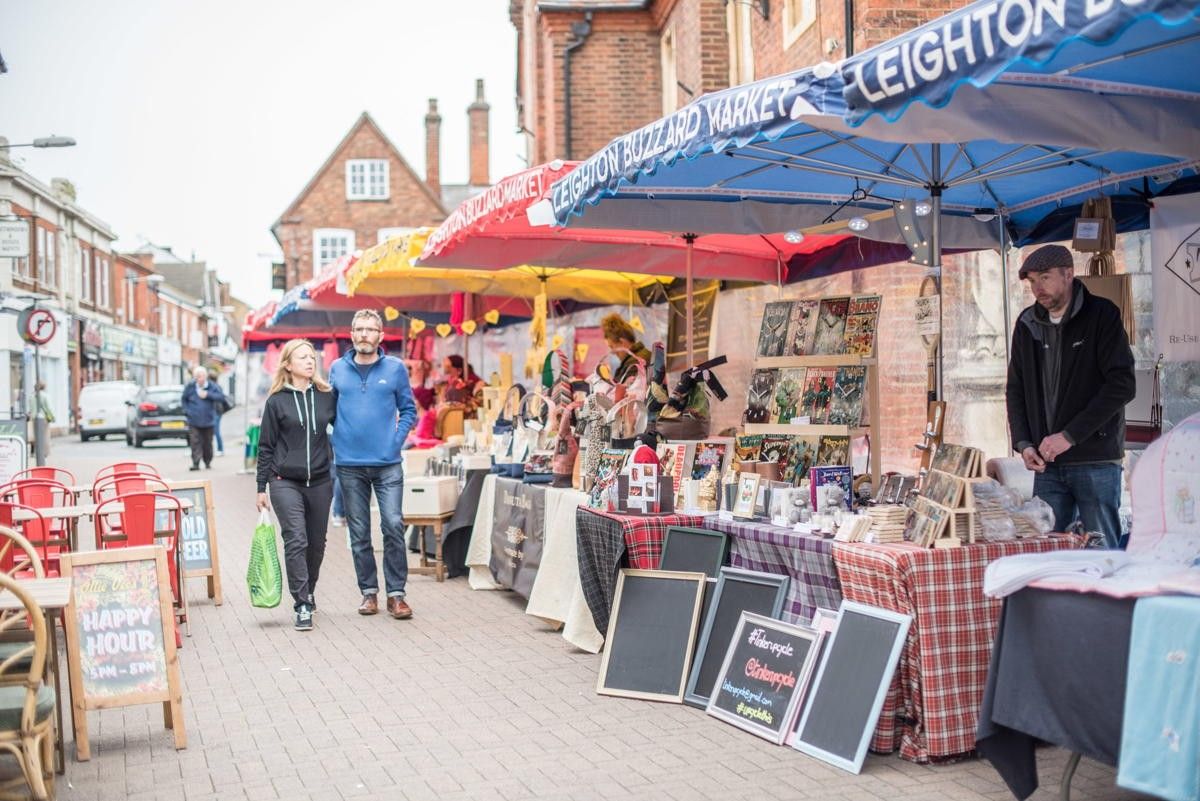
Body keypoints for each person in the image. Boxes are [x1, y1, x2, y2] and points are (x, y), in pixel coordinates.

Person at [1006, 244, 1136, 548]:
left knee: (1101, 551)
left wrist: (1069, 435)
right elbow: (1015, 388)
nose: (1038, 288)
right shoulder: (1027, 323)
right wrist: (1024, 443)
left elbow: (1123, 384)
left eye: (1046, 278)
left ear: (1069, 274)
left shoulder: (1102, 315)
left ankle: (1109, 598)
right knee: (1048, 551)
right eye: (1032, 281)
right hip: (1046, 462)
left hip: (1095, 458)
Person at [329, 309, 418, 618]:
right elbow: (327, 413)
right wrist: (334, 441)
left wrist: (395, 441)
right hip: (349, 464)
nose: (364, 334)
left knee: (393, 524)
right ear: (352, 334)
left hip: (388, 463)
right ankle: (369, 593)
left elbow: (409, 410)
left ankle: (397, 594)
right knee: (359, 532)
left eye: (370, 329)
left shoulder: (395, 369)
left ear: (381, 335)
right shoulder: (337, 369)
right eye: (359, 329)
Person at [255, 339, 336, 631]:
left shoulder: (327, 397)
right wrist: (260, 488)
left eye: (312, 357)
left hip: (321, 481)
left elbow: (344, 430)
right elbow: (265, 447)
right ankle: (301, 603)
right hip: (284, 481)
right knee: (296, 539)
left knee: (316, 544)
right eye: (303, 357)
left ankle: (309, 590)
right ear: (288, 364)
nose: (310, 361)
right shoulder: (276, 402)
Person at [182, 366, 227, 471]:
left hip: (209, 420)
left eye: (200, 376)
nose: (199, 379)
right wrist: (187, 411)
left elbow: (221, 397)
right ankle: (196, 463)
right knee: (195, 442)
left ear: (205, 376)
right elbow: (184, 399)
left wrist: (208, 394)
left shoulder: (212, 386)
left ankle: (207, 462)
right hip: (194, 420)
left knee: (207, 442)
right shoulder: (190, 386)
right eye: (196, 377)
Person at [601, 313, 652, 384]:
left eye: (612, 346)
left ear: (622, 342)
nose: (612, 352)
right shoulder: (644, 355)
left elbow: (619, 392)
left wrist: (605, 377)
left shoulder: (634, 363)